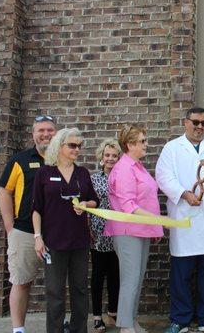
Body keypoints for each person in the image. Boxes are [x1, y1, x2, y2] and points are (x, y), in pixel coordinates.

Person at [156, 107, 204, 333]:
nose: (200, 127)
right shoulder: (172, 148)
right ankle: (179, 320)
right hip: (185, 217)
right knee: (181, 274)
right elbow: (163, 176)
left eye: (203, 123)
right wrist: (184, 194)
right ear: (186, 122)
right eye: (196, 122)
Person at [32, 128, 99, 333]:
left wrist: (86, 205)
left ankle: (79, 329)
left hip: (79, 241)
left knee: (79, 289)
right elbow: (36, 209)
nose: (77, 149)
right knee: (55, 291)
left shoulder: (82, 173)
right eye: (72, 145)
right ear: (59, 146)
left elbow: (95, 200)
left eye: (79, 146)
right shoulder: (44, 172)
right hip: (53, 242)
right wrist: (37, 237)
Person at [0, 114, 57, 333]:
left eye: (50, 130)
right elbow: (5, 191)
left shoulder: (62, 160)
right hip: (23, 231)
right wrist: (9, 227)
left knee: (57, 285)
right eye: (41, 130)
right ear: (33, 134)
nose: (45, 134)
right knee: (21, 282)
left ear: (56, 133)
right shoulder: (20, 160)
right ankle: (18, 329)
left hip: (55, 232)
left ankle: (56, 327)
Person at [104, 124, 164, 333]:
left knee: (137, 279)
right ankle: (125, 327)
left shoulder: (137, 166)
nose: (146, 144)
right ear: (130, 145)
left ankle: (130, 320)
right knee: (130, 279)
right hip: (128, 230)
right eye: (142, 141)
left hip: (143, 230)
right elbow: (129, 206)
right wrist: (158, 220)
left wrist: (154, 226)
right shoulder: (123, 169)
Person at [89, 138, 122, 331]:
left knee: (115, 274)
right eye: (107, 155)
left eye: (114, 155)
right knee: (98, 275)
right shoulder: (94, 179)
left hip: (119, 231)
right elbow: (87, 204)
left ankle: (112, 312)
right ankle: (96, 315)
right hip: (99, 232)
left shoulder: (123, 177)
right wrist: (88, 229)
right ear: (101, 158)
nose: (110, 158)